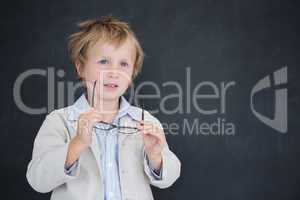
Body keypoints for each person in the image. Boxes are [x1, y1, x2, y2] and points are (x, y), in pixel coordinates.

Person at [26, 16, 181, 200]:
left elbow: (169, 177)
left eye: (123, 64)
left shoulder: (144, 121)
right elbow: (38, 180)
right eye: (103, 62)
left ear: (132, 73)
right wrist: (77, 144)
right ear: (81, 68)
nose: (113, 72)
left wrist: (156, 157)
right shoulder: (59, 120)